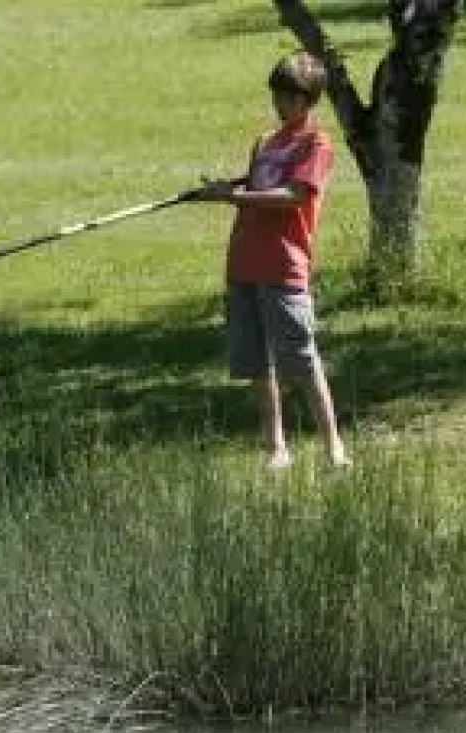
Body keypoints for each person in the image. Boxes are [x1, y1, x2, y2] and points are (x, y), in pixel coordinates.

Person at [198, 52, 350, 470]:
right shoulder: (264, 142)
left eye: (289, 97)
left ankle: (333, 447)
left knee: (301, 359)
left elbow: (294, 197)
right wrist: (223, 190)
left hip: (284, 265)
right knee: (256, 363)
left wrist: (236, 196)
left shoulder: (316, 144)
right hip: (244, 262)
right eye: (277, 95)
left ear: (309, 100)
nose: (280, 104)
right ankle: (276, 447)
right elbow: (255, 188)